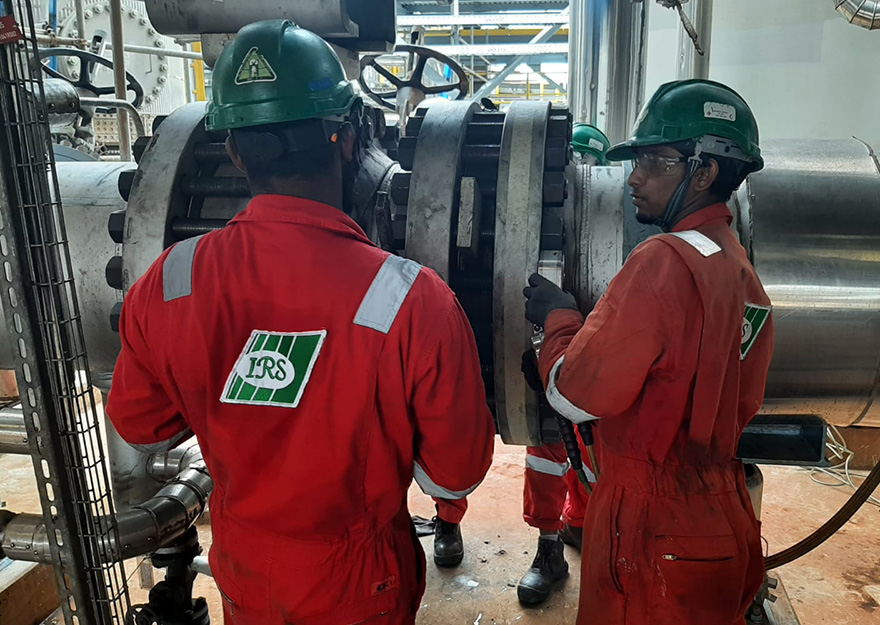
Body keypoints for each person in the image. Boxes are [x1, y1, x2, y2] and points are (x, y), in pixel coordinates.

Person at [106, 20, 494, 625]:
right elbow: (456, 475)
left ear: (234, 151)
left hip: (248, 573)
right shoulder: (415, 301)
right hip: (360, 583)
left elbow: (141, 426)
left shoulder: (169, 279)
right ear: (346, 138)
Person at [523, 79, 775, 625]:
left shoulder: (663, 261)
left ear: (704, 172)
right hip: (723, 516)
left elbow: (575, 394)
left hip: (652, 529)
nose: (634, 177)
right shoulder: (740, 271)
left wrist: (559, 319)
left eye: (655, 162)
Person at [513, 123, 611, 607]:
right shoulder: (536, 226)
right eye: (574, 162)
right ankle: (549, 548)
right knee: (546, 451)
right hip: (550, 353)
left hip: (599, 369)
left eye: (589, 165)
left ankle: (586, 527)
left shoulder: (620, 232)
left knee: (594, 451)